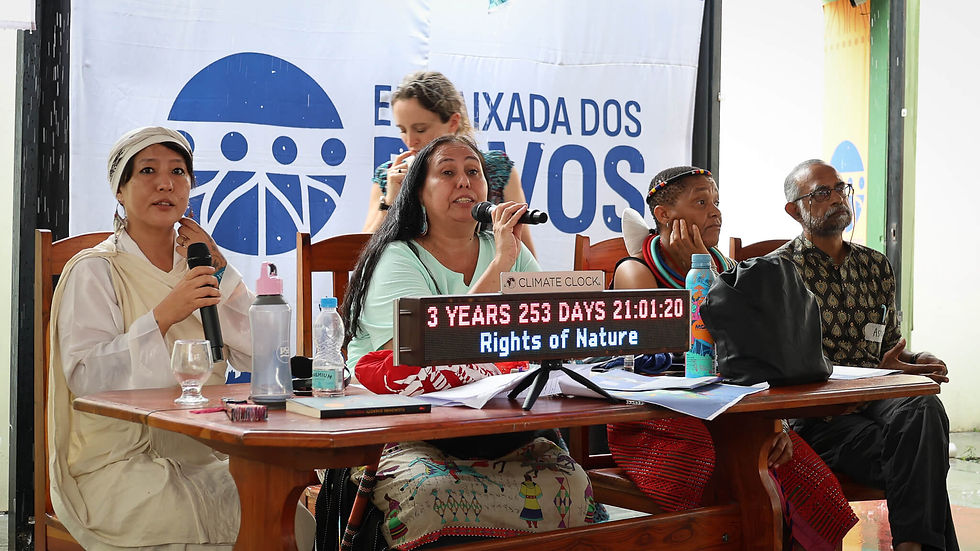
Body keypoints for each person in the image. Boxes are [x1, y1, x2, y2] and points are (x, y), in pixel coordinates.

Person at [47, 127, 312, 550]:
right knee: (180, 518)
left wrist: (222, 271)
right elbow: (86, 378)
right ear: (120, 190)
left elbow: (265, 353)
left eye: (178, 172)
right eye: (147, 171)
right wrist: (164, 315)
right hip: (118, 460)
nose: (165, 183)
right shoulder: (95, 271)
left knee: (289, 518)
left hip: (202, 451)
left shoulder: (201, 265)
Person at [341, 135, 595, 548]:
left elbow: (544, 329)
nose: (464, 181)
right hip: (407, 431)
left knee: (569, 481)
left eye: (473, 172)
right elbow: (427, 348)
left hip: (497, 426)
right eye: (447, 172)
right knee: (431, 493)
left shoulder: (503, 247)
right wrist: (501, 266)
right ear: (418, 193)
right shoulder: (397, 256)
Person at [610, 166, 858, 550]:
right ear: (663, 215)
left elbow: (758, 359)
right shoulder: (634, 272)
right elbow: (656, 368)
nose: (716, 212)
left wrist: (775, 424)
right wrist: (700, 272)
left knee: (805, 474)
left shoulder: (727, 270)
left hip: (734, 414)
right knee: (713, 467)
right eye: (701, 202)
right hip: (657, 420)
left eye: (717, 202)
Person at [776, 159, 957, 551]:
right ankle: (916, 545)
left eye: (841, 188)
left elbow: (890, 343)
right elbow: (773, 365)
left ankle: (911, 545)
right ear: (795, 210)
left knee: (923, 406)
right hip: (821, 417)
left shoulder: (875, 265)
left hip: (878, 398)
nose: (837, 198)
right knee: (920, 460)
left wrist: (913, 363)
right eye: (822, 193)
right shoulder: (779, 272)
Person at [362, 70, 537, 257]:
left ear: (453, 123)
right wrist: (390, 202)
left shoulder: (497, 169)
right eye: (402, 130)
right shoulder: (390, 177)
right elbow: (360, 259)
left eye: (420, 129)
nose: (410, 140)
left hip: (491, 283)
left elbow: (526, 257)